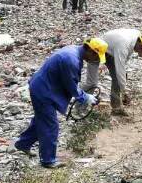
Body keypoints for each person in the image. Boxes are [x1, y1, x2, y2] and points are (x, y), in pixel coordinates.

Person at [15, 38, 108, 168]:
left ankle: (23, 144)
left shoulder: (74, 52)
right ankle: (48, 160)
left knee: (41, 120)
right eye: (97, 56)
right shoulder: (71, 60)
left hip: (42, 86)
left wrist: (84, 96)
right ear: (91, 51)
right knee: (51, 125)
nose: (97, 60)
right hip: (43, 91)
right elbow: (71, 85)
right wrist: (86, 97)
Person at [82, 30, 142, 116]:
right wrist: (124, 92)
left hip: (112, 51)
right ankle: (80, 109)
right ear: (141, 45)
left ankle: (116, 109)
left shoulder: (136, 37)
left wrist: (122, 87)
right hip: (96, 50)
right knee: (92, 83)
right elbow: (120, 69)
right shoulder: (123, 45)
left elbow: (122, 66)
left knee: (119, 79)